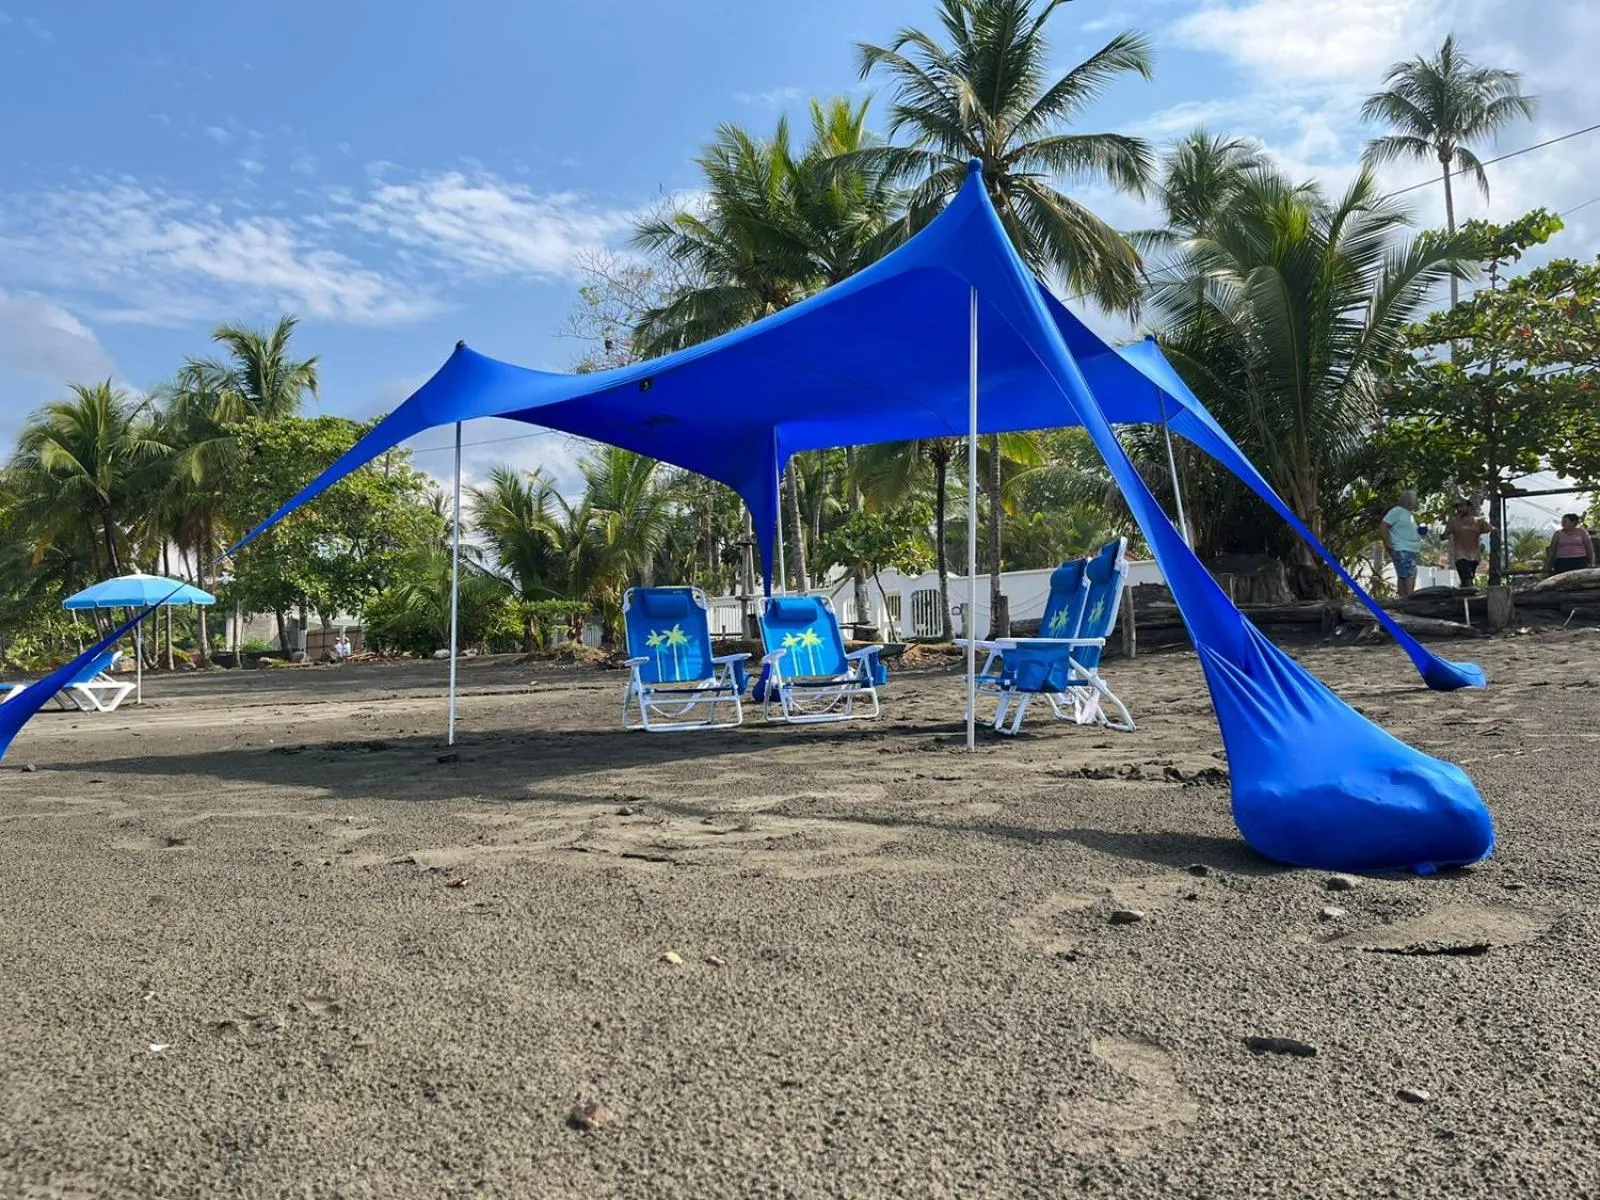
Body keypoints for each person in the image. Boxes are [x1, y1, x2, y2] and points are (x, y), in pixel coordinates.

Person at [1381, 490, 1423, 598]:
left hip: (1410, 549)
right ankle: (1409, 598)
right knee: (1408, 575)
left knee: (1405, 575)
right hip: (1402, 549)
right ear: (1409, 501)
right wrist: (1388, 544)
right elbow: (1383, 526)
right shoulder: (1397, 511)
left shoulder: (1409, 514)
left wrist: (1420, 532)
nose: (1417, 503)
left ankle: (1403, 598)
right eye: (1415, 500)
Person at [1445, 502, 1493, 589]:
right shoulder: (1453, 522)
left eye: (1462, 506)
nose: (1459, 509)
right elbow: (1445, 534)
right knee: (1467, 580)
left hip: (1474, 556)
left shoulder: (1479, 522)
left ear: (1470, 508)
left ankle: (1464, 597)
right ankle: (1470, 594)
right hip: (1460, 555)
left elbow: (1491, 529)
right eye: (1458, 507)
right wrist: (1444, 535)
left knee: (1466, 581)